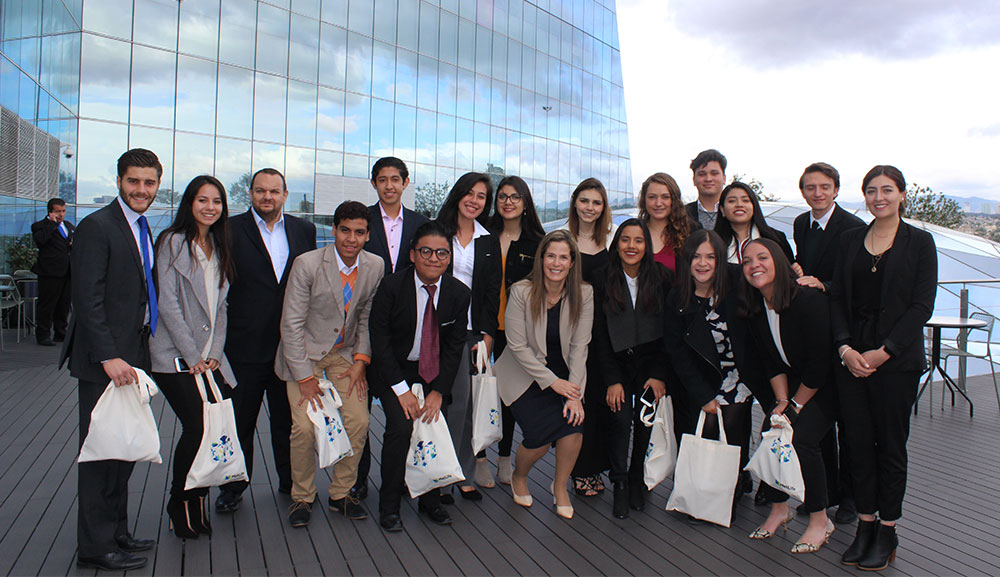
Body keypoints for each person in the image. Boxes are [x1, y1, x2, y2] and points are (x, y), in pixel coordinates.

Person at [831, 166, 936, 571]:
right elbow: (837, 298)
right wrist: (844, 348)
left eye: (887, 190)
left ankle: (887, 529)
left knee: (890, 447)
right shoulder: (850, 239)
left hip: (897, 362)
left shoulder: (920, 242)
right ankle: (865, 524)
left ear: (902, 195)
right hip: (852, 358)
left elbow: (921, 306)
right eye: (872, 191)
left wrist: (885, 351)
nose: (879, 197)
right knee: (857, 445)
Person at [61, 148, 162, 571]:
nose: (141, 189)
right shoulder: (97, 226)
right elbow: (86, 298)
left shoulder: (141, 226)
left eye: (149, 182)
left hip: (133, 357)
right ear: (119, 181)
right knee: (101, 455)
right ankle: (95, 546)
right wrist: (108, 356)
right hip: (106, 363)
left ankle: (117, 532)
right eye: (133, 181)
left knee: (123, 451)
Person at [276, 201, 384, 527]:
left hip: (344, 355)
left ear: (368, 235)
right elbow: (291, 324)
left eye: (359, 232)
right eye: (345, 230)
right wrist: (304, 377)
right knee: (304, 427)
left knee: (359, 421)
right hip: (304, 356)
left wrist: (361, 360)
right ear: (334, 230)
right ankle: (302, 496)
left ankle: (341, 493)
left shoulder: (375, 266)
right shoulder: (307, 264)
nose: (351, 239)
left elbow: (367, 317)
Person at [217, 168, 317, 513]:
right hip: (243, 346)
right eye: (260, 191)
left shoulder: (304, 230)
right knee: (240, 422)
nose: (267, 197)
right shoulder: (228, 230)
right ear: (250, 194)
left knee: (288, 423)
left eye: (274, 191)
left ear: (285, 195)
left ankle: (291, 482)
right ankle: (232, 487)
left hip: (290, 348)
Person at [149, 175, 238, 539]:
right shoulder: (172, 241)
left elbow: (222, 306)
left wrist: (214, 352)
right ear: (190, 203)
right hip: (174, 355)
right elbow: (168, 304)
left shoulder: (219, 244)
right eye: (202, 200)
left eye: (216, 201)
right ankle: (179, 500)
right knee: (198, 427)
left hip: (208, 356)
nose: (210, 207)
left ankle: (197, 501)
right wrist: (192, 355)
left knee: (213, 427)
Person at [369, 221, 472, 532]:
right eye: (426, 251)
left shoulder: (459, 294)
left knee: (435, 424)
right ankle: (389, 505)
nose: (433, 258)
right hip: (395, 370)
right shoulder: (391, 287)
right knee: (400, 428)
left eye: (442, 253)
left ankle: (431, 500)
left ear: (449, 258)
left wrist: (439, 391)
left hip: (433, 372)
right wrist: (401, 390)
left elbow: (453, 349)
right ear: (413, 254)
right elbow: (380, 342)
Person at [740, 239, 837, 553]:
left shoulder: (808, 300)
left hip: (828, 384)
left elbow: (821, 363)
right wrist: (781, 402)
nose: (754, 265)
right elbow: (771, 361)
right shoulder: (758, 307)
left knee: (802, 438)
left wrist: (796, 404)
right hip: (793, 383)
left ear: (779, 262)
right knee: (771, 430)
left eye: (762, 258)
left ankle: (820, 519)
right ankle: (779, 509)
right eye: (747, 261)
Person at [663, 229, 763, 517]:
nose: (703, 263)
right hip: (698, 377)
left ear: (720, 260)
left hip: (737, 374)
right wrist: (703, 395)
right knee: (703, 426)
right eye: (696, 257)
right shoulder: (678, 297)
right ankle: (699, 491)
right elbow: (677, 353)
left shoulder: (737, 285)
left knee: (731, 424)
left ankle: (731, 485)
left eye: (710, 257)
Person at [494, 230, 594, 520]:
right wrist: (553, 383)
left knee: (574, 426)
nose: (556, 263)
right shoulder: (521, 291)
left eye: (563, 257)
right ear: (541, 259)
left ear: (572, 263)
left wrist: (575, 393)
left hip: (564, 373)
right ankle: (519, 475)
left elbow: (580, 346)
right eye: (551, 256)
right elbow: (517, 346)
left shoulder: (584, 294)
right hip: (523, 374)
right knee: (539, 438)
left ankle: (559, 487)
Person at [789, 162, 866, 523]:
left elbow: (858, 283)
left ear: (836, 189)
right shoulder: (801, 224)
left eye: (824, 187)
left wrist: (824, 284)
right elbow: (805, 266)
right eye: (810, 187)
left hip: (844, 331)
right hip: (813, 331)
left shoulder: (853, 227)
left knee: (848, 422)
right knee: (817, 423)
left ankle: (851, 496)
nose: (817, 193)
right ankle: (824, 491)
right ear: (803, 191)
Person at [354, 156, 429, 501]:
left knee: (401, 415)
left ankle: (400, 477)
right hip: (362, 323)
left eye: (395, 179)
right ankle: (358, 477)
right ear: (374, 184)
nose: (389, 185)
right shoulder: (362, 221)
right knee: (358, 411)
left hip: (403, 330)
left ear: (405, 182)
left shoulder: (420, 223)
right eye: (382, 179)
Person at [593, 219, 672, 518]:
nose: (631, 246)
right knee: (620, 419)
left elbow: (669, 332)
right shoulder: (602, 278)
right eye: (625, 239)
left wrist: (659, 374)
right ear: (617, 244)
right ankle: (620, 481)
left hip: (650, 363)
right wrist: (612, 380)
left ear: (646, 245)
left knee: (644, 422)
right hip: (616, 363)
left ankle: (638, 477)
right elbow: (599, 335)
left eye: (638, 240)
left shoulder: (662, 277)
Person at [434, 172, 502, 499]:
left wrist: (488, 334)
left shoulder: (488, 240)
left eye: (481, 196)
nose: (474, 201)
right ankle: (439, 474)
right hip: (438, 332)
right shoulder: (437, 232)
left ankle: (463, 473)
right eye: (470, 193)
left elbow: (491, 292)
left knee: (468, 406)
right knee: (448, 405)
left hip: (473, 334)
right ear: (458, 194)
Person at [482, 175, 546, 485]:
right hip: (483, 326)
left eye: (515, 197)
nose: (508, 202)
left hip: (517, 331)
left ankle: (504, 457)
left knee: (508, 395)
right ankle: (478, 457)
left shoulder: (537, 242)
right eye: (503, 196)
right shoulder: (484, 234)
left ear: (525, 203)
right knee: (480, 391)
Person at [564, 177, 615, 498]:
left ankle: (597, 467)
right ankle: (579, 471)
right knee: (576, 399)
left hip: (605, 334)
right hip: (570, 332)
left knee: (599, 403)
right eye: (584, 201)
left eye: (596, 202)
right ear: (575, 203)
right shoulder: (561, 239)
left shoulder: (611, 241)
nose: (590, 208)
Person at [714, 181, 795, 265]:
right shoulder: (713, 243)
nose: (739, 205)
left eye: (745, 200)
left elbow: (788, 269)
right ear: (722, 210)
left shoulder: (776, 239)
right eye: (732, 201)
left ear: (754, 206)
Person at [31, 197, 74, 346]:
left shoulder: (68, 226)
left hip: (66, 271)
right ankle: (43, 334)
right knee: (47, 304)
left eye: (63, 211)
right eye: (58, 211)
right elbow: (41, 241)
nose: (61, 214)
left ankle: (60, 332)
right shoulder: (40, 226)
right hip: (49, 272)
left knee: (64, 304)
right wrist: (52, 224)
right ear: (50, 212)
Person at [638, 172, 693, 271]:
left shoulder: (690, 232)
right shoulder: (634, 231)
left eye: (665, 197)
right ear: (644, 200)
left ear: (674, 200)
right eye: (652, 197)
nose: (658, 203)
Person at [685, 149, 727, 230]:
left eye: (714, 173)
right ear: (694, 180)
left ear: (724, 178)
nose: (708, 179)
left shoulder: (734, 212)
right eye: (702, 174)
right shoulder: (682, 214)